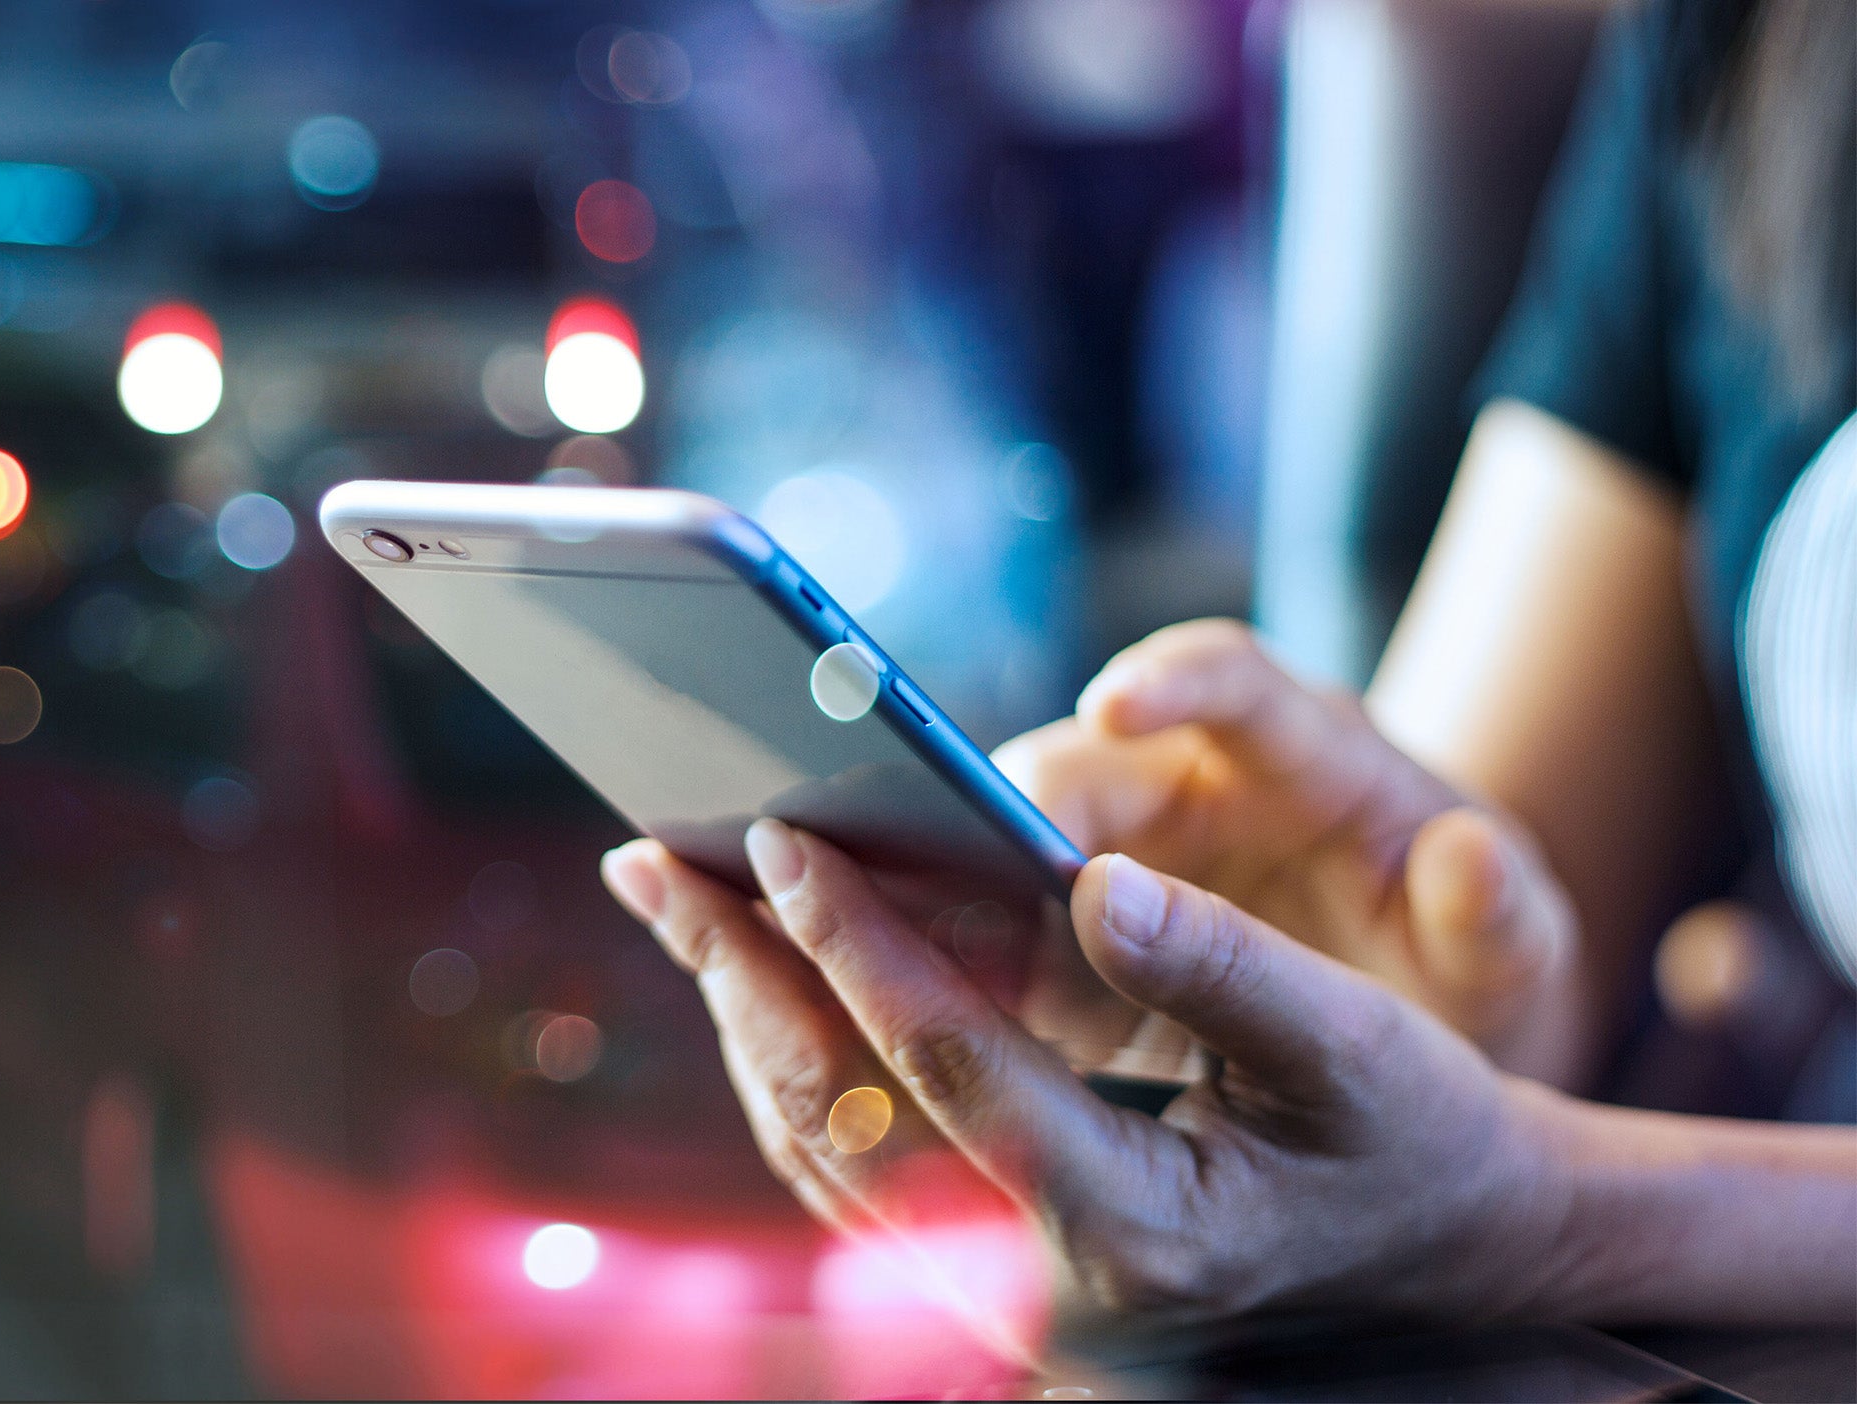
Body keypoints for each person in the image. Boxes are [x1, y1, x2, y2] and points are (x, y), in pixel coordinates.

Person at [600, 0, 1856, 1330]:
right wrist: (1322, 1018)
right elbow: (1495, 917)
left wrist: (1566, 1214)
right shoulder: (1743, 47)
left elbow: (1520, 1176)